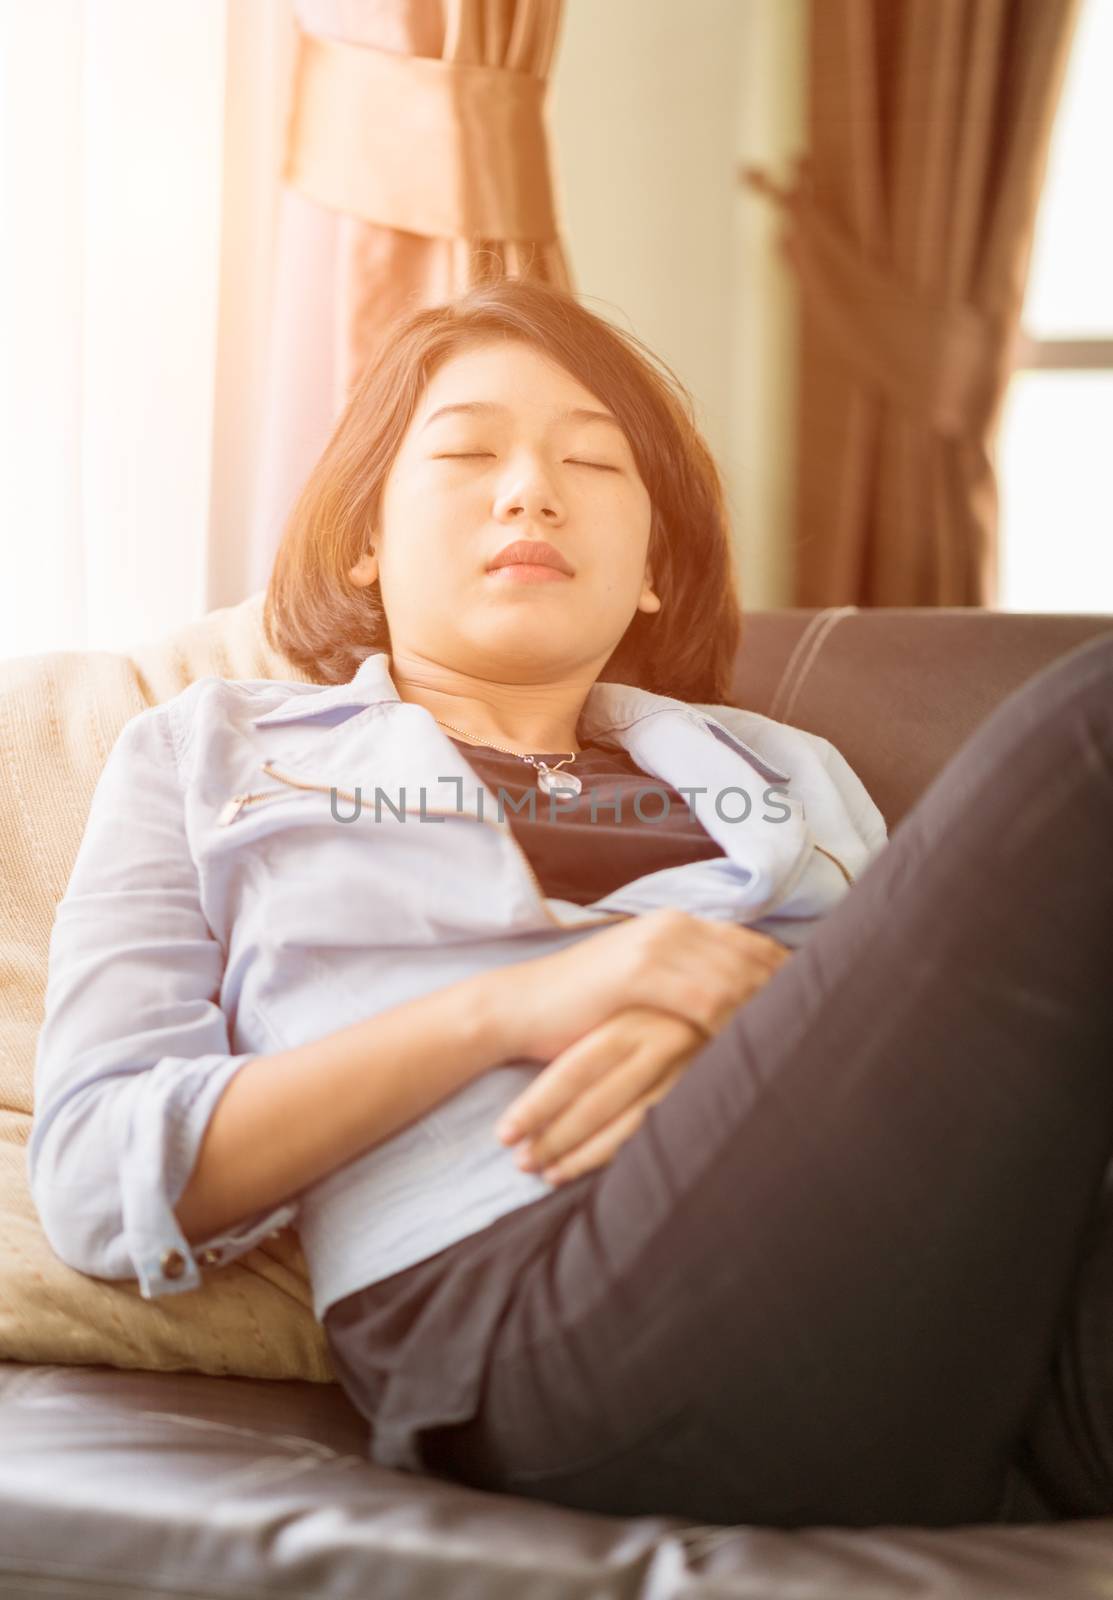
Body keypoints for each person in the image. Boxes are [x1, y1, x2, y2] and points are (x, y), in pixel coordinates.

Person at [28, 276, 1113, 1531]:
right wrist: (517, 1006)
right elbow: (99, 1174)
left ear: (653, 567)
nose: (531, 488)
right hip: (534, 1313)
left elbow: (919, 1049)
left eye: (594, 463)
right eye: (469, 450)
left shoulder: (784, 771)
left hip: (957, 1327)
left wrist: (742, 1030)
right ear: (365, 540)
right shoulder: (208, 751)